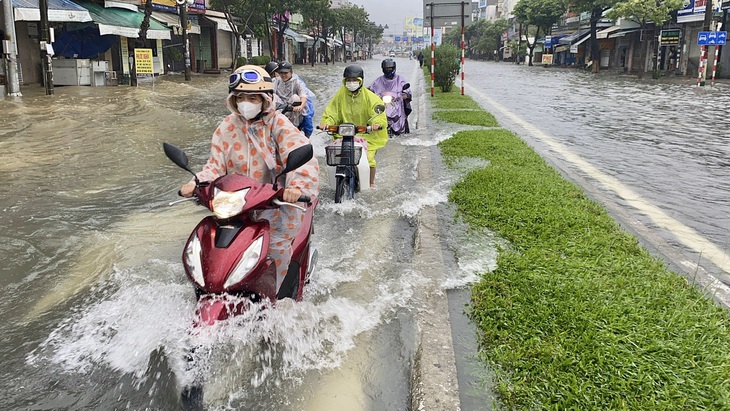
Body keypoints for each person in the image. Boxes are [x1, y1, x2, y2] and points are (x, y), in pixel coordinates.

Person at [180, 65, 319, 294]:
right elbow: (215, 165)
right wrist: (197, 183)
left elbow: (301, 156)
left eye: (253, 97)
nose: (246, 102)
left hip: (276, 205)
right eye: (241, 97)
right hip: (235, 206)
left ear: (265, 99)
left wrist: (295, 187)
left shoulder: (279, 124)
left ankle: (279, 300)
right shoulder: (226, 127)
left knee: (276, 252)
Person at [318, 65, 388, 188]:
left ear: (361, 81)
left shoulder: (370, 97)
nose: (351, 83)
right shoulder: (340, 95)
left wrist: (376, 124)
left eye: (355, 80)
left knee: (369, 159)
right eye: (348, 80)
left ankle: (370, 184)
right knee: (336, 157)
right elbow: (332, 112)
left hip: (366, 135)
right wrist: (326, 123)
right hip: (344, 134)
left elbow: (378, 112)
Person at [369, 58, 411, 135]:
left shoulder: (400, 79)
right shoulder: (378, 80)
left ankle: (402, 129)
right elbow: (371, 88)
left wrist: (405, 94)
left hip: (396, 104)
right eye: (386, 69)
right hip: (383, 104)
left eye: (390, 68)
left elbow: (407, 89)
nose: (388, 70)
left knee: (402, 118)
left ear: (394, 68)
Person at [273, 61, 316, 137]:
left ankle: (293, 128)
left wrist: (301, 106)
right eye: (281, 73)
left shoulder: (297, 82)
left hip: (293, 110)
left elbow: (303, 96)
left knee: (295, 97)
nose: (283, 75)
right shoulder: (275, 81)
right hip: (279, 109)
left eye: (286, 73)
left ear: (291, 72)